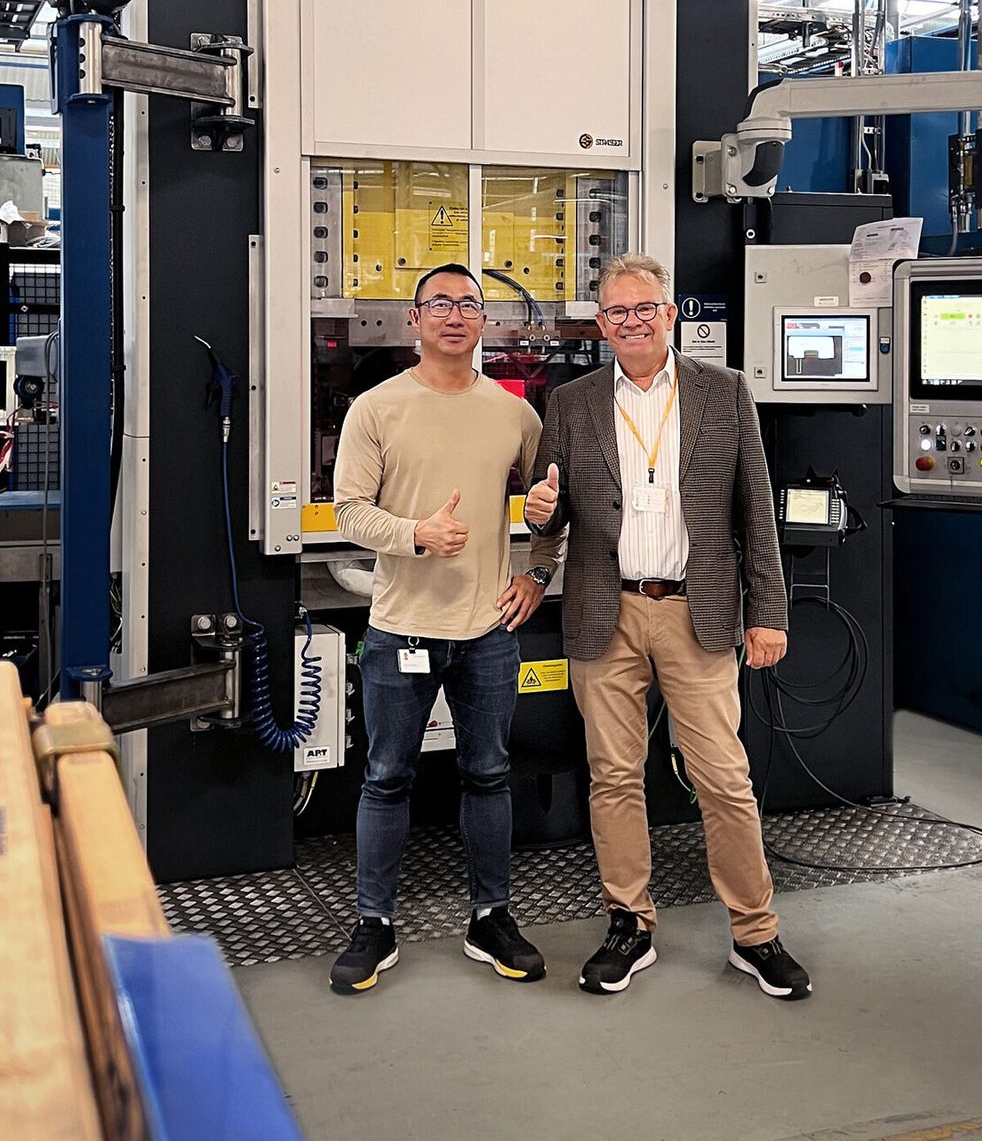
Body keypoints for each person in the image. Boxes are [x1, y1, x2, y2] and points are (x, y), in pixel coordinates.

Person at [525, 253, 810, 1001]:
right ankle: (629, 923)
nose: (631, 323)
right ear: (600, 323)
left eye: (644, 308)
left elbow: (757, 511)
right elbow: (550, 507)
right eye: (616, 312)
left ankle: (756, 933)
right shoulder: (573, 401)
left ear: (670, 313)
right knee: (614, 779)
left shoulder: (725, 393)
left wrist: (769, 613)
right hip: (602, 609)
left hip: (699, 610)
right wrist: (537, 543)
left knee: (723, 777)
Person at [326, 263, 563, 995]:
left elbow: (551, 506)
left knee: (488, 773)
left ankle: (491, 915)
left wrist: (538, 572)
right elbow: (348, 511)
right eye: (439, 304)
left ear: (484, 320)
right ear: (415, 320)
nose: (454, 315)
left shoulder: (516, 414)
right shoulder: (376, 408)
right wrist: (416, 534)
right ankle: (375, 923)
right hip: (401, 628)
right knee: (386, 776)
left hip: (489, 628)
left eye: (468, 304)